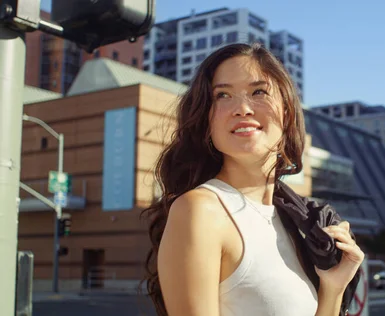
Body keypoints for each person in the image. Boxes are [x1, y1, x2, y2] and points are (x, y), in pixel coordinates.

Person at [141, 43, 364, 316]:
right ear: (207, 120)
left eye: (258, 91)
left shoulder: (292, 218)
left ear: (286, 111)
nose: (242, 108)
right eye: (222, 95)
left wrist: (333, 288)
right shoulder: (201, 210)